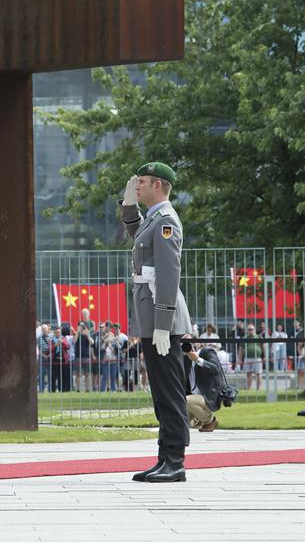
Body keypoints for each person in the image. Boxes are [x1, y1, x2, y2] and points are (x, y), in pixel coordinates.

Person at [120, 162, 191, 483]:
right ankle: (165, 457)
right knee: (161, 391)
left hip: (162, 318)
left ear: (159, 185)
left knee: (170, 391)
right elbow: (136, 234)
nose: (138, 185)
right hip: (152, 316)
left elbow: (168, 273)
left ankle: (174, 460)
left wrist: (163, 321)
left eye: (143, 182)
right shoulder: (152, 220)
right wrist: (128, 206)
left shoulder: (166, 222)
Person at [183, 338, 226, 432]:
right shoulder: (184, 359)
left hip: (208, 395)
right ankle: (198, 419)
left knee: (184, 401)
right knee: (177, 422)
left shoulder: (207, 352)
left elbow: (216, 369)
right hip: (194, 396)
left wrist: (197, 360)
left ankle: (210, 421)